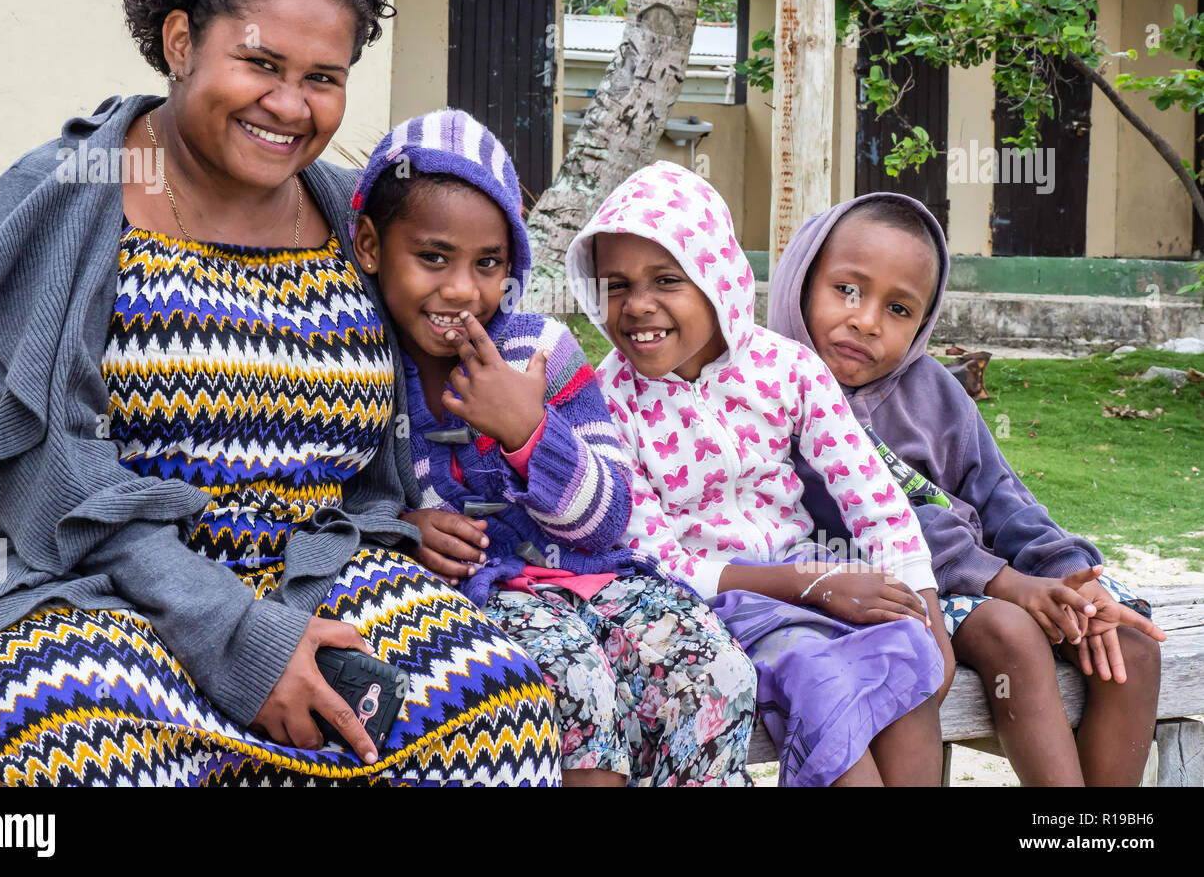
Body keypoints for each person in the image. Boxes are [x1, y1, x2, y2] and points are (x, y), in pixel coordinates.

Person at [0, 0, 561, 787]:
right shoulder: (62, 202)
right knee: (94, 734)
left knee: (494, 707)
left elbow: (455, 340)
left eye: (323, 78)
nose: (291, 107)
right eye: (261, 64)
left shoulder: (349, 216)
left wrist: (406, 508)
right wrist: (238, 636)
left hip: (307, 565)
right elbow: (50, 480)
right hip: (63, 577)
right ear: (181, 43)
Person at [350, 110, 758, 786]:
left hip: (592, 579)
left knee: (713, 663)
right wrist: (400, 530)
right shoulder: (360, 364)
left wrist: (528, 430)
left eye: (488, 263)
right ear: (370, 245)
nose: (460, 288)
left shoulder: (541, 351)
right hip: (475, 598)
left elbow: (608, 521)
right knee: (571, 677)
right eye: (432, 257)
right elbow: (333, 501)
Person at [564, 162, 951, 787]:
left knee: (909, 653)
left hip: (818, 577)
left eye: (667, 279)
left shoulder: (784, 367)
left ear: (716, 279)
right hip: (713, 608)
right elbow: (662, 563)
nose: (637, 306)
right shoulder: (607, 401)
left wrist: (923, 605)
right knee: (820, 677)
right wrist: (811, 583)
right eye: (615, 285)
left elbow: (871, 494)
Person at [768, 190, 1166, 786]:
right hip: (889, 589)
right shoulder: (772, 392)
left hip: (992, 578)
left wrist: (1067, 577)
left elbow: (1001, 493)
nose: (867, 320)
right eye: (847, 290)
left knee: (1127, 645)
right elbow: (885, 517)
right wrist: (1009, 586)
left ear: (924, 322)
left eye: (900, 310)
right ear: (800, 282)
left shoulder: (931, 388)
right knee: (1010, 632)